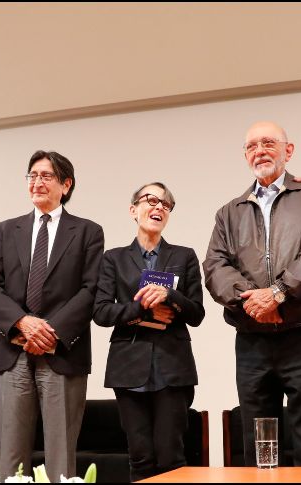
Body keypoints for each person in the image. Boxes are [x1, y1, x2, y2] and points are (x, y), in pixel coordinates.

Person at [203, 121, 301, 466]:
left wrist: (279, 293)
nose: (260, 151)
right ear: (245, 155)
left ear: (288, 150)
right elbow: (215, 267)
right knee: (258, 437)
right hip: (252, 337)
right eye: (252, 146)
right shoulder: (228, 213)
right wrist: (255, 301)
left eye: (268, 143)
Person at [0, 150, 104, 480]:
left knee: (61, 456)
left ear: (66, 184)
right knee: (10, 456)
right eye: (32, 175)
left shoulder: (88, 231)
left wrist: (50, 331)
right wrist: (22, 323)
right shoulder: (7, 230)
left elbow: (91, 290)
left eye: (46, 176)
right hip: (12, 351)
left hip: (62, 351)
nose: (37, 182)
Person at [93, 182, 205, 481]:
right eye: (151, 200)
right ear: (133, 210)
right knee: (140, 457)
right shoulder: (113, 259)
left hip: (173, 367)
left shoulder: (184, 256)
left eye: (166, 205)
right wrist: (142, 308)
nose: (159, 207)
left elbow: (197, 314)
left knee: (172, 456)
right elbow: (101, 312)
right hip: (128, 367)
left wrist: (169, 296)